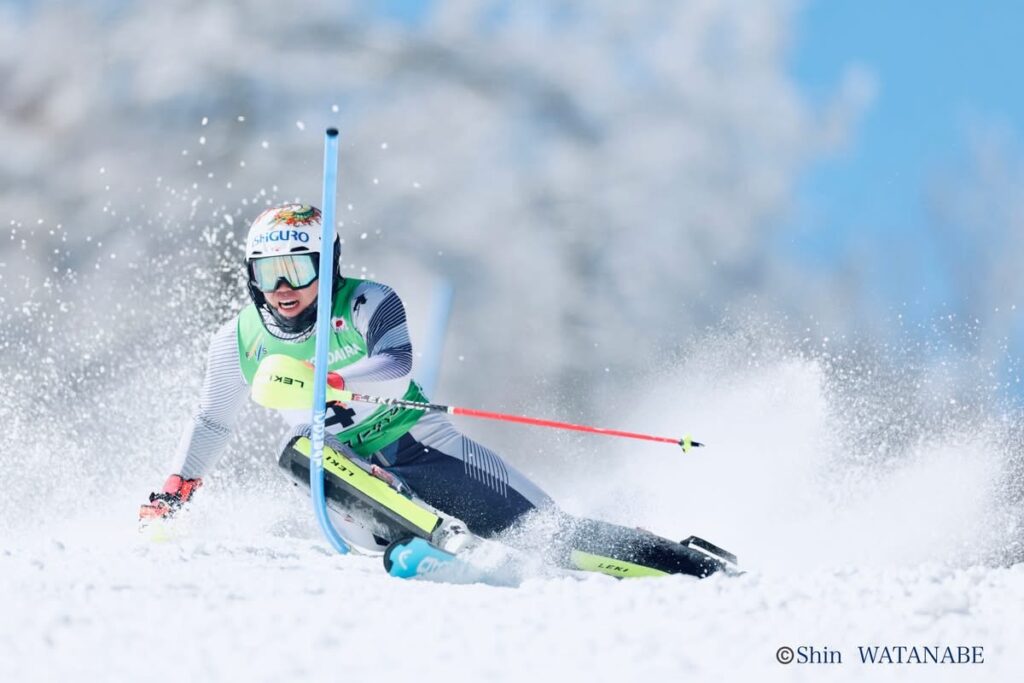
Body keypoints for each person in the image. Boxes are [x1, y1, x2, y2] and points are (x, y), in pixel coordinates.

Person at [140, 203, 734, 578]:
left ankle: (685, 565)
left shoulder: (368, 302)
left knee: (549, 534)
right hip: (335, 472)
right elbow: (213, 421)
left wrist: (336, 382)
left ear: (328, 266)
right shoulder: (237, 340)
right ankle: (410, 532)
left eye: (299, 270)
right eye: (269, 275)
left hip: (417, 442)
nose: (284, 288)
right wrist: (177, 487)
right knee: (303, 449)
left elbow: (397, 365)